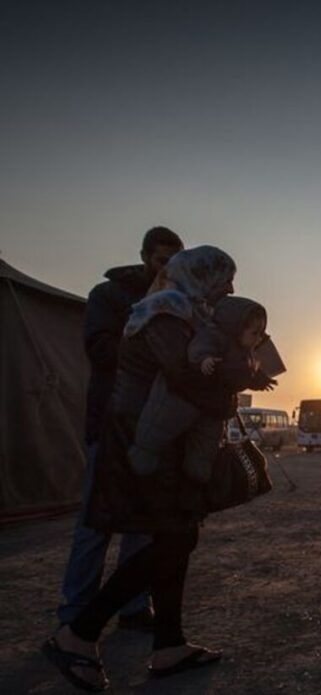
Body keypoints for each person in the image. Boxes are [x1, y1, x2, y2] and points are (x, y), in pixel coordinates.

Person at [42, 245, 236, 691]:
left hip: (163, 440)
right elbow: (183, 378)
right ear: (202, 276)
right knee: (173, 535)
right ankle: (79, 632)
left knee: (176, 534)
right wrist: (230, 383)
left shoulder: (190, 313)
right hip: (139, 440)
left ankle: (169, 645)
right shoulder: (165, 311)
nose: (230, 286)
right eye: (224, 276)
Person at [58, 226, 183, 632]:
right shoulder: (108, 296)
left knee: (144, 524)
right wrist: (148, 328)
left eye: (174, 262)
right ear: (146, 256)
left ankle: (133, 607)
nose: (168, 268)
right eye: (163, 260)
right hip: (112, 421)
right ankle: (76, 614)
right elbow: (100, 350)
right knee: (97, 524)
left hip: (154, 427)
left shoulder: (179, 302)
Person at [129, 297, 276, 484]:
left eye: (260, 334)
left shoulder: (245, 352)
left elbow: (246, 374)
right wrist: (204, 360)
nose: (258, 339)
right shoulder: (215, 336)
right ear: (237, 327)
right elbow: (199, 349)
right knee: (157, 432)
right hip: (189, 401)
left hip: (214, 409)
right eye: (255, 333)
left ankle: (198, 479)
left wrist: (260, 380)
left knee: (205, 449)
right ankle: (142, 464)